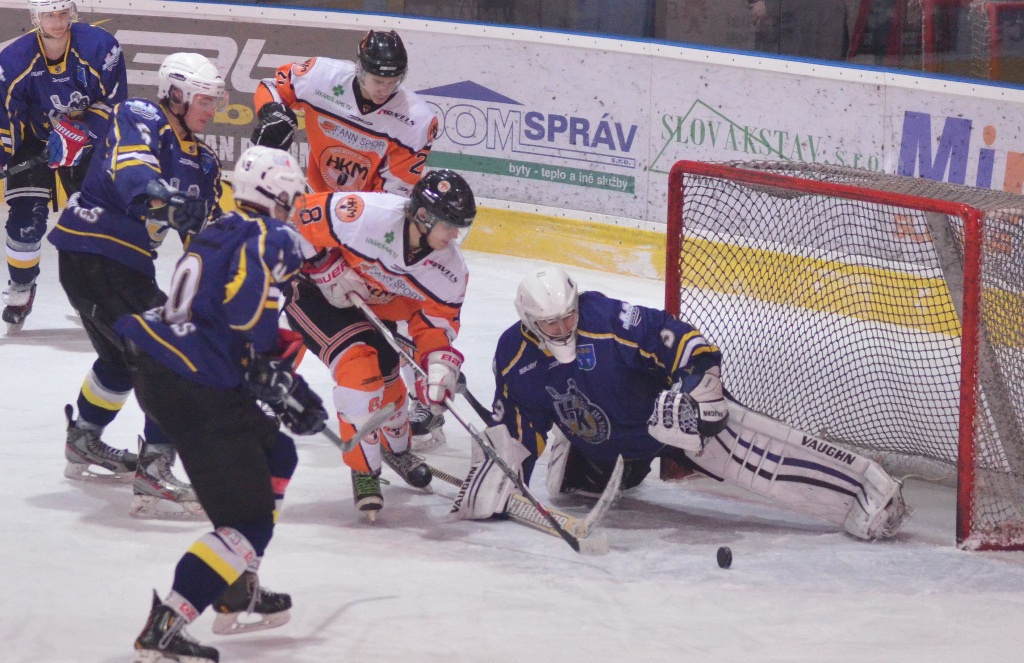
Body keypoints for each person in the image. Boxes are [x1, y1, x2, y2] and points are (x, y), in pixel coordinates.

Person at [453, 265, 911, 542]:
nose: (563, 327)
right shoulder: (514, 355)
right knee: (577, 489)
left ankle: (868, 492)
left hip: (668, 427)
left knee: (744, 450)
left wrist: (694, 392)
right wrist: (503, 468)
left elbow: (684, 341)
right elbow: (518, 421)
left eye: (568, 314)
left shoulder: (610, 320)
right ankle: (578, 455)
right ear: (529, 321)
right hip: (605, 452)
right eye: (551, 323)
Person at [115, 145, 326, 662]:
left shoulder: (220, 228)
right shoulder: (270, 236)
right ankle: (166, 628)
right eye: (291, 199)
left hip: (164, 366)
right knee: (247, 525)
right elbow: (244, 315)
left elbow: (216, 316)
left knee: (278, 453)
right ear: (276, 196)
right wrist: (267, 368)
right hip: (197, 385)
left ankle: (237, 587)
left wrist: (278, 377)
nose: (293, 210)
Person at [251, 28, 448, 452]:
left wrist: (351, 243)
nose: (384, 89)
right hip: (315, 208)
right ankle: (272, 390)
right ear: (359, 69)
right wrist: (271, 113)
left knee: (396, 300)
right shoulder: (320, 77)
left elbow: (394, 200)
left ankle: (423, 400)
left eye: (393, 81)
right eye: (377, 79)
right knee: (299, 297)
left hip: (373, 223)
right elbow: (271, 85)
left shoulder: (416, 119)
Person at [46, 52, 225, 517]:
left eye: (214, 101)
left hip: (119, 267)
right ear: (177, 94)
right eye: (204, 100)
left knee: (120, 359)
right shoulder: (141, 113)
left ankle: (84, 439)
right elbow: (134, 173)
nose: (211, 110)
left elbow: (206, 240)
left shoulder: (204, 163)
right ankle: (155, 470)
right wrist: (167, 201)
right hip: (97, 250)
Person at [283, 168, 475, 519]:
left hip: (372, 311)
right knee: (360, 375)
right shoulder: (367, 214)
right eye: (449, 225)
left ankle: (397, 449)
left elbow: (436, 323)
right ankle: (364, 470)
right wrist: (324, 266)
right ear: (422, 216)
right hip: (315, 296)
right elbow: (298, 217)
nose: (454, 235)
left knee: (389, 386)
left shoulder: (451, 270)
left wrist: (438, 365)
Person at [0, 0, 127, 331]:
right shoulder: (13, 61)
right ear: (35, 17)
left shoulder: (100, 47)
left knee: (95, 220)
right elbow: (6, 120)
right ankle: (21, 286)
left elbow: (115, 105)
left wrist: (82, 132)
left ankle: (99, 291)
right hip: (35, 142)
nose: (57, 21)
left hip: (86, 139)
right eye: (49, 14)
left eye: (62, 12)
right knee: (24, 223)